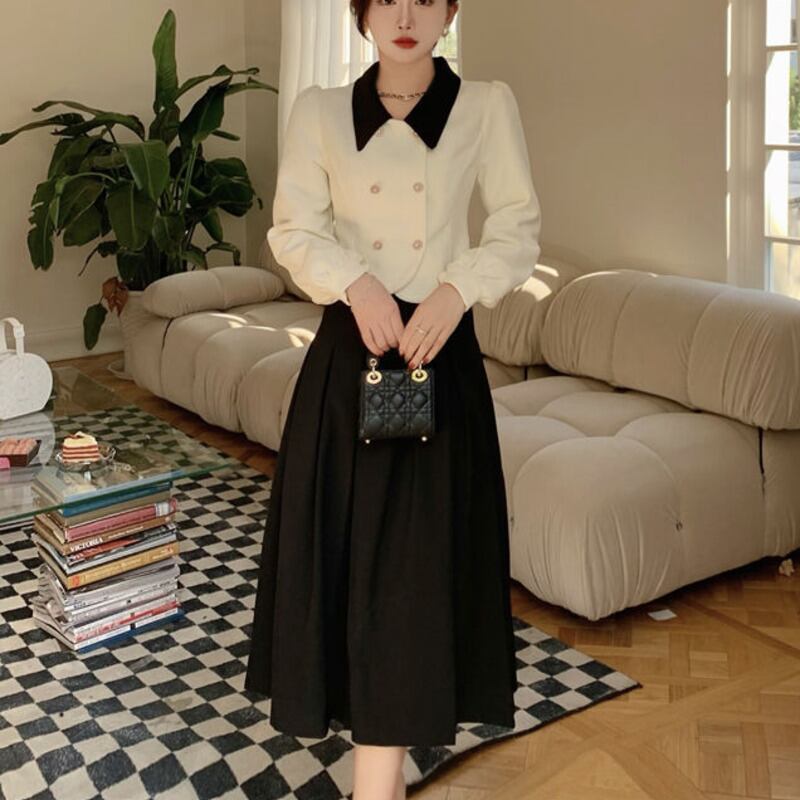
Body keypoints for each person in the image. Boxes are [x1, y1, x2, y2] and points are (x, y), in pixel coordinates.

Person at [244, 0, 542, 798]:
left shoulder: (485, 106)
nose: (405, 13)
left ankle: (377, 772)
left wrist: (456, 291)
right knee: (346, 555)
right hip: (353, 357)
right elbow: (293, 230)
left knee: (417, 565)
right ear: (363, 12)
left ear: (450, 10)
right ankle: (383, 750)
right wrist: (357, 283)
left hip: (437, 355)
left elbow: (516, 228)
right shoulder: (319, 112)